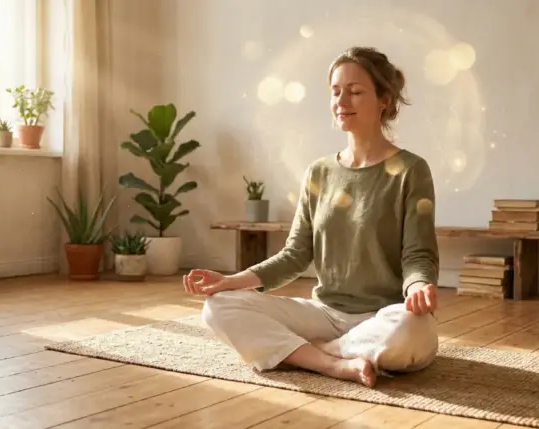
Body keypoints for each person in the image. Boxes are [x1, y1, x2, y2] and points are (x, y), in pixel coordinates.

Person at [183, 46, 440, 388]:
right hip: (324, 314)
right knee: (218, 307)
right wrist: (232, 281)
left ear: (384, 100)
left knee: (414, 327)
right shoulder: (319, 172)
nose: (341, 101)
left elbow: (418, 253)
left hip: (383, 316)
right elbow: (295, 255)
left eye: (355, 91)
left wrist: (419, 285)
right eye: (335, 92)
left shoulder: (411, 170)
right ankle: (331, 364)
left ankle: (312, 353)